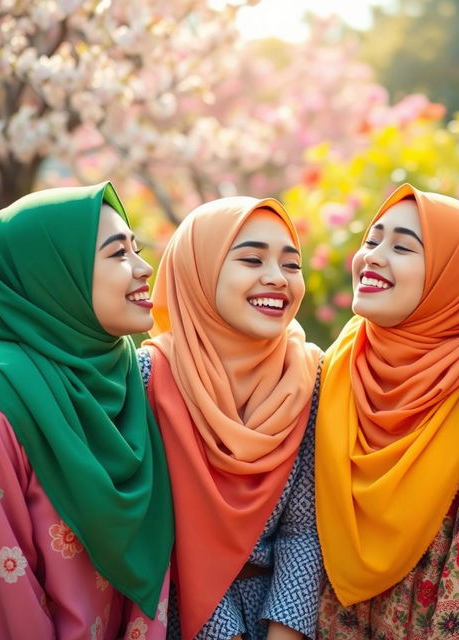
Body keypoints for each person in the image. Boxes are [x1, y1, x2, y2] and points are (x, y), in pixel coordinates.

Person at [316, 184, 459, 640]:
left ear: (454, 276)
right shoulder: (338, 363)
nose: (374, 257)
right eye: (372, 239)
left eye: (402, 247)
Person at [138, 197, 323, 640]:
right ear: (199, 270)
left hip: (279, 617)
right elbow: (166, 536)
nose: (276, 279)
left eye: (291, 264)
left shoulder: (308, 377)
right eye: (252, 259)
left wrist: (286, 631)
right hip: (176, 616)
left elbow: (303, 529)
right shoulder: (151, 377)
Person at [0, 183, 174, 638]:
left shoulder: (129, 374)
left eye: (137, 248)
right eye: (118, 254)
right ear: (51, 274)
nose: (144, 267)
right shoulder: (7, 398)